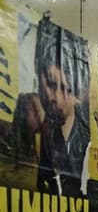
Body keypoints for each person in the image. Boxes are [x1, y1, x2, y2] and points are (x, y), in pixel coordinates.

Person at [33, 19, 91, 196]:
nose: (57, 98)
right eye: (50, 84)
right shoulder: (30, 122)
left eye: (67, 89)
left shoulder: (89, 134)